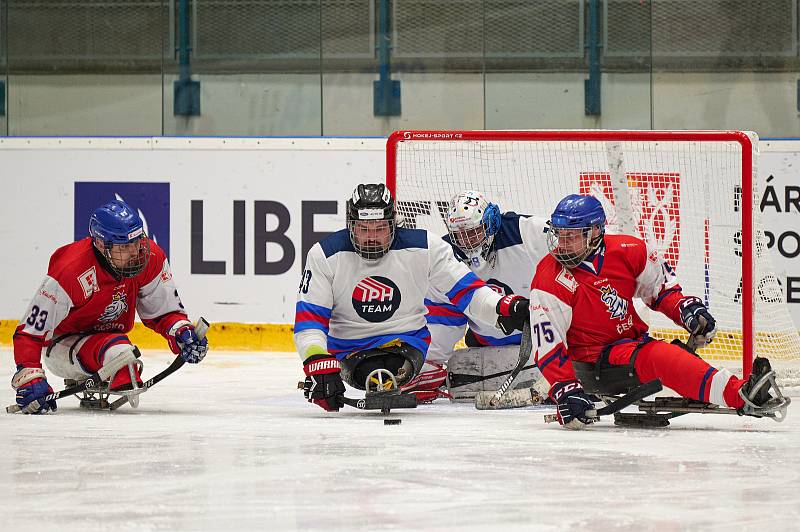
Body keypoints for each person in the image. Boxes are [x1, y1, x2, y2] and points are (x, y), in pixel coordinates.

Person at [529, 193, 789, 429]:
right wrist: (565, 387)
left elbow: (660, 291)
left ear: (596, 231)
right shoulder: (549, 277)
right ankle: (741, 394)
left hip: (628, 345)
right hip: (593, 362)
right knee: (662, 357)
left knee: (670, 355)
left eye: (572, 235)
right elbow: (548, 345)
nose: (562, 244)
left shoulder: (629, 250)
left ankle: (736, 390)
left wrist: (685, 309)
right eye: (560, 234)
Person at [294, 183, 529, 411]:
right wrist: (317, 363)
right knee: (372, 368)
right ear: (350, 226)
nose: (371, 237)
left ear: (393, 224)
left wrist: (502, 307)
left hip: (408, 346)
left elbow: (467, 290)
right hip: (349, 351)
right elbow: (309, 321)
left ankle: (422, 375)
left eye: (380, 228)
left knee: (392, 367)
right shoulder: (325, 254)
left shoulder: (426, 247)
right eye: (363, 229)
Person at [11, 199, 208, 414]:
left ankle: (115, 368)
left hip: (111, 340)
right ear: (102, 244)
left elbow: (164, 312)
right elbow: (30, 332)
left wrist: (182, 333)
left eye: (137, 241)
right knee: (120, 354)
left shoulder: (150, 258)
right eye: (124, 246)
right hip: (62, 344)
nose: (134, 252)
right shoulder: (71, 270)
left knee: (123, 360)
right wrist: (29, 376)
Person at [422, 190, 550, 402]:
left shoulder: (526, 231)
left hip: (543, 339)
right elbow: (443, 320)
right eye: (460, 235)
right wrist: (428, 368)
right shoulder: (446, 256)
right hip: (486, 346)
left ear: (490, 223)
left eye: (473, 232)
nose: (467, 242)